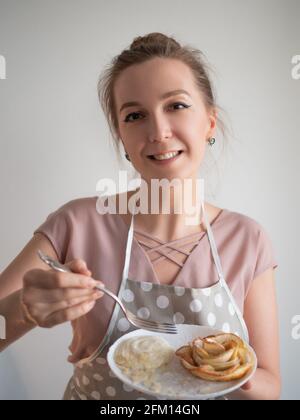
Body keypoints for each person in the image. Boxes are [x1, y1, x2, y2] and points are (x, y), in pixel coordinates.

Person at [0, 32, 280, 400]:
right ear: (122, 137)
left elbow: (270, 384)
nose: (159, 132)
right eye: (135, 116)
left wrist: (231, 375)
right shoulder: (77, 223)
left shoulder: (247, 239)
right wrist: (23, 310)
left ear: (210, 122)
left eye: (176, 106)